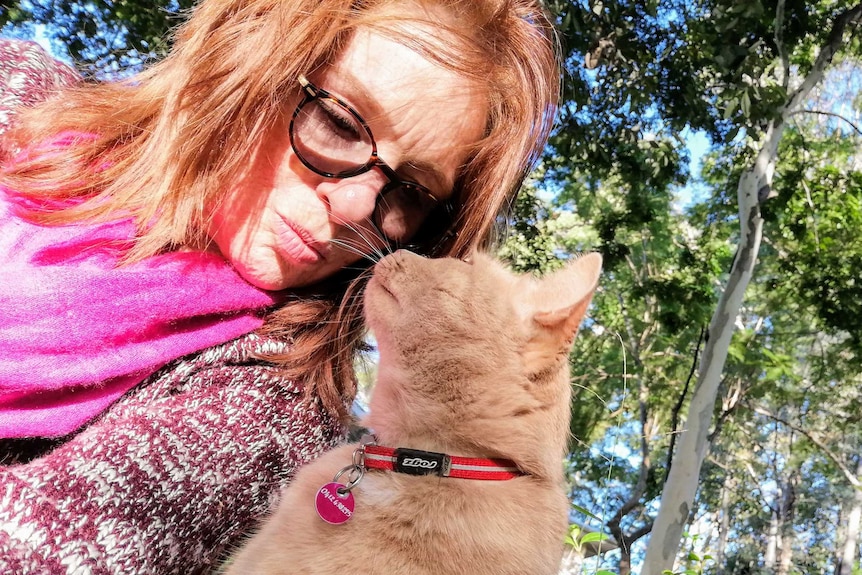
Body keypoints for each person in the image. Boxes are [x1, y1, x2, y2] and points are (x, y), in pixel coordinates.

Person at [0, 0, 561, 572]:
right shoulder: (18, 93)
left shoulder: (266, 410)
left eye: (411, 193)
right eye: (339, 122)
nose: (355, 205)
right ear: (248, 54)